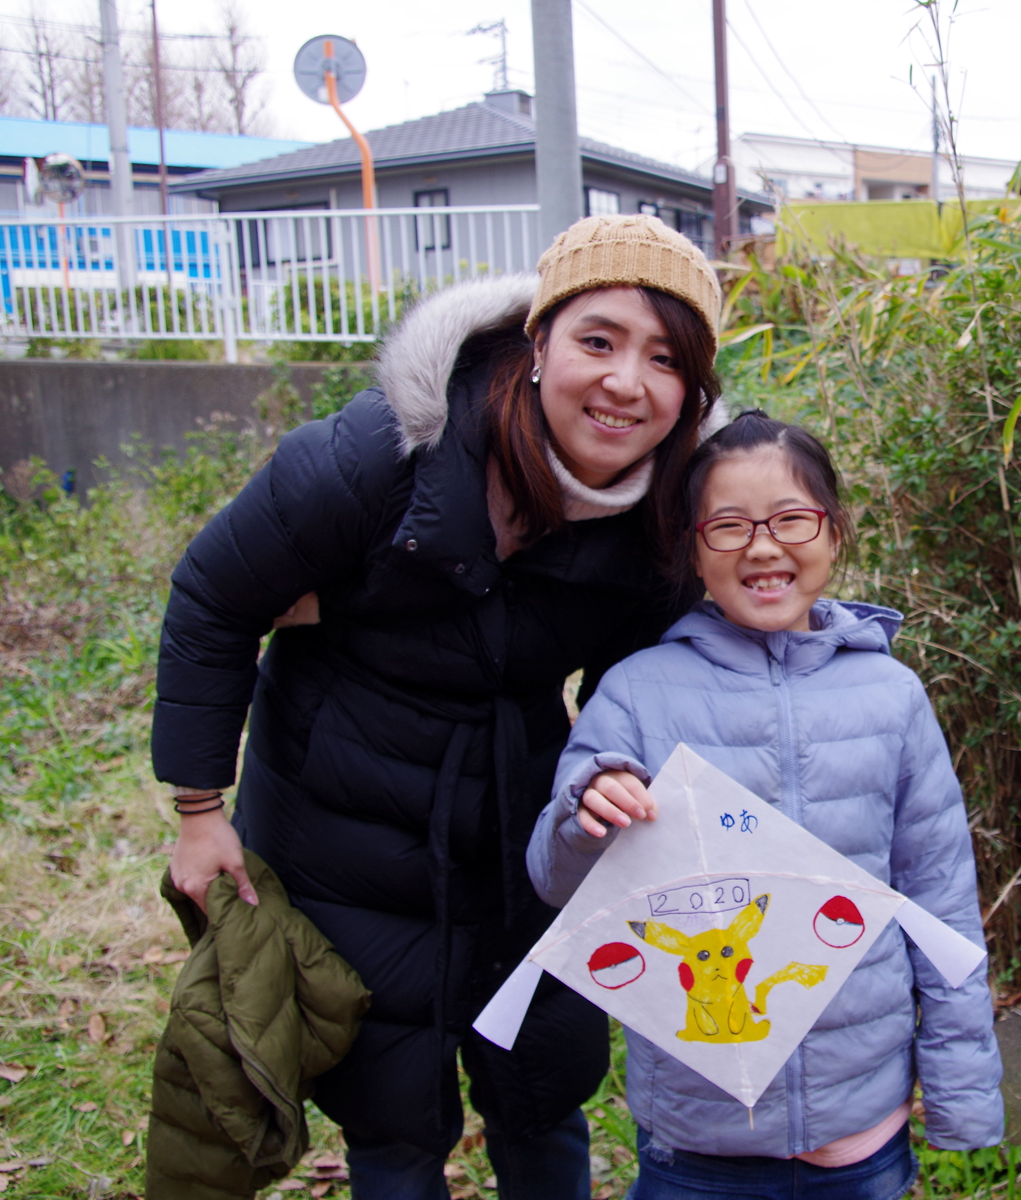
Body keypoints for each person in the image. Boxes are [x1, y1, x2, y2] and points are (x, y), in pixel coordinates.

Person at [150, 214, 726, 1200]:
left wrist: (620, 803)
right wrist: (199, 811)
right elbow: (213, 598)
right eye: (599, 340)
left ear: (690, 392)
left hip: (525, 829)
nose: (627, 382)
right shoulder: (374, 457)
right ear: (536, 342)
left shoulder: (665, 516)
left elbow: (640, 691)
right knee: (392, 1118)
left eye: (665, 359)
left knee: (542, 1092)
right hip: (339, 825)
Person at [526, 412, 1004, 1200]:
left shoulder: (893, 698)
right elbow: (553, 879)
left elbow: (941, 904)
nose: (763, 546)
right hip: (697, 1141)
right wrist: (585, 814)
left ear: (835, 532)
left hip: (863, 1137)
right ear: (691, 547)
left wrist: (961, 1095)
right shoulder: (639, 692)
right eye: (729, 526)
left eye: (791, 519)